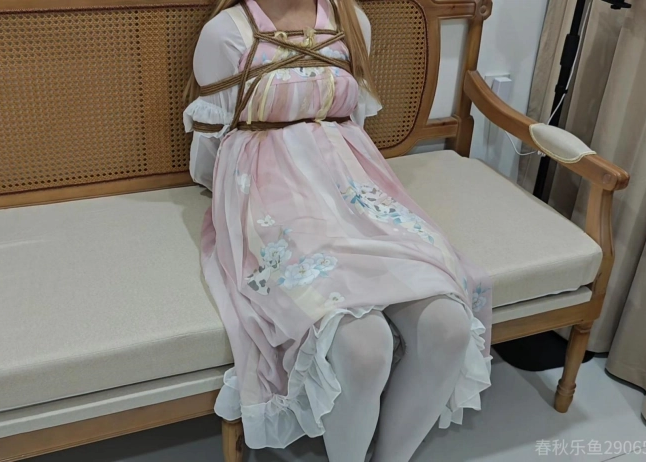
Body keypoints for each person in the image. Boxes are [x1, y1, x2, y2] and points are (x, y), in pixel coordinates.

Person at [183, 0, 492, 460]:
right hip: (267, 190)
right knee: (363, 348)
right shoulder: (227, 34)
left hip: (352, 185)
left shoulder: (351, 21)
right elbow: (211, 150)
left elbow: (353, 122)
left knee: (448, 327)